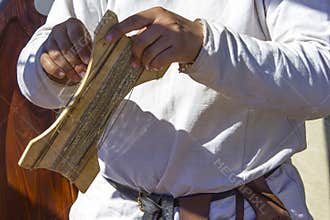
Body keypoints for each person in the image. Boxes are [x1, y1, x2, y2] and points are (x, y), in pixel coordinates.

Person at [17, 0, 330, 219]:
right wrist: (52, 66)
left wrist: (203, 46)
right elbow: (37, 75)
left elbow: (322, 78)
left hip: (239, 208)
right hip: (113, 207)